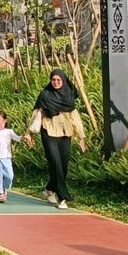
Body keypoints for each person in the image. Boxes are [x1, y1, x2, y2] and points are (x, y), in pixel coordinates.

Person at [30, 69, 87, 210]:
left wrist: (81, 137)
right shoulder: (45, 95)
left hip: (65, 134)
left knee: (64, 166)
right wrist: (28, 134)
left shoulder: (69, 96)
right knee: (55, 163)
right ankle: (62, 198)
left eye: (58, 80)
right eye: (53, 80)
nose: (55, 83)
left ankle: (50, 189)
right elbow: (35, 115)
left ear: (63, 80)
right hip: (48, 133)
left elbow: (76, 118)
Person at [0, 110, 33, 203]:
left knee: (10, 176)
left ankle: (4, 188)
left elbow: (18, 138)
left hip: (6, 157)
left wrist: (25, 137)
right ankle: (1, 194)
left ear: (5, 120)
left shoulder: (9, 131)